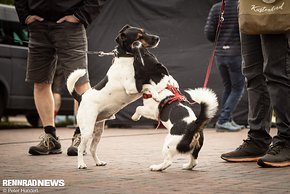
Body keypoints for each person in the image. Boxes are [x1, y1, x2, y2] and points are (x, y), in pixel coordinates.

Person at [14, 0, 100, 156]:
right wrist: (25, 15)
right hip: (38, 26)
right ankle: (50, 137)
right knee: (40, 82)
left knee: (80, 81)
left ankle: (82, 135)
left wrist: (80, 15)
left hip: (70, 25)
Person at [221, 31, 290, 167]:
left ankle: (286, 141)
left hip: (275, 13)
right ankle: (257, 140)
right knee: (253, 75)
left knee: (277, 72)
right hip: (249, 14)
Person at [204, 0, 245, 132]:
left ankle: (226, 119)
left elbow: (209, 33)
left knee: (229, 87)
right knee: (237, 88)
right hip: (236, 54)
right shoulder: (242, 6)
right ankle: (223, 120)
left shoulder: (217, 7)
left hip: (220, 54)